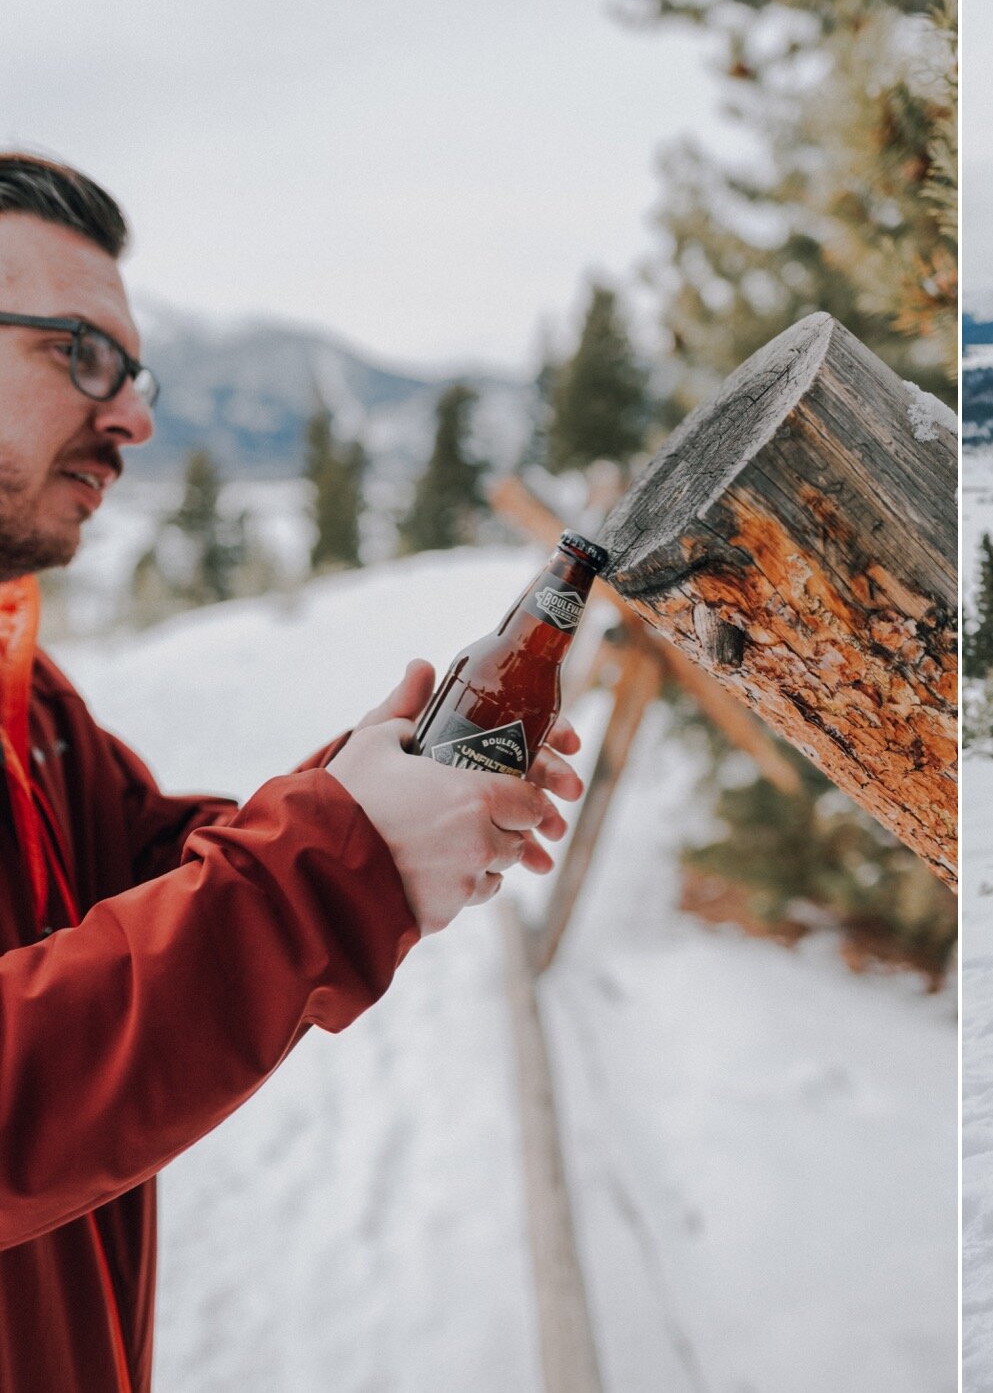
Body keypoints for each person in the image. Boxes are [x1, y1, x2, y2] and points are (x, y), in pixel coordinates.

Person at [0, 152, 585, 1390]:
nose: (135, 417)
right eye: (79, 354)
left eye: (136, 372)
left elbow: (139, 869)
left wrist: (376, 798)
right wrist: (334, 862)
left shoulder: (22, 686)